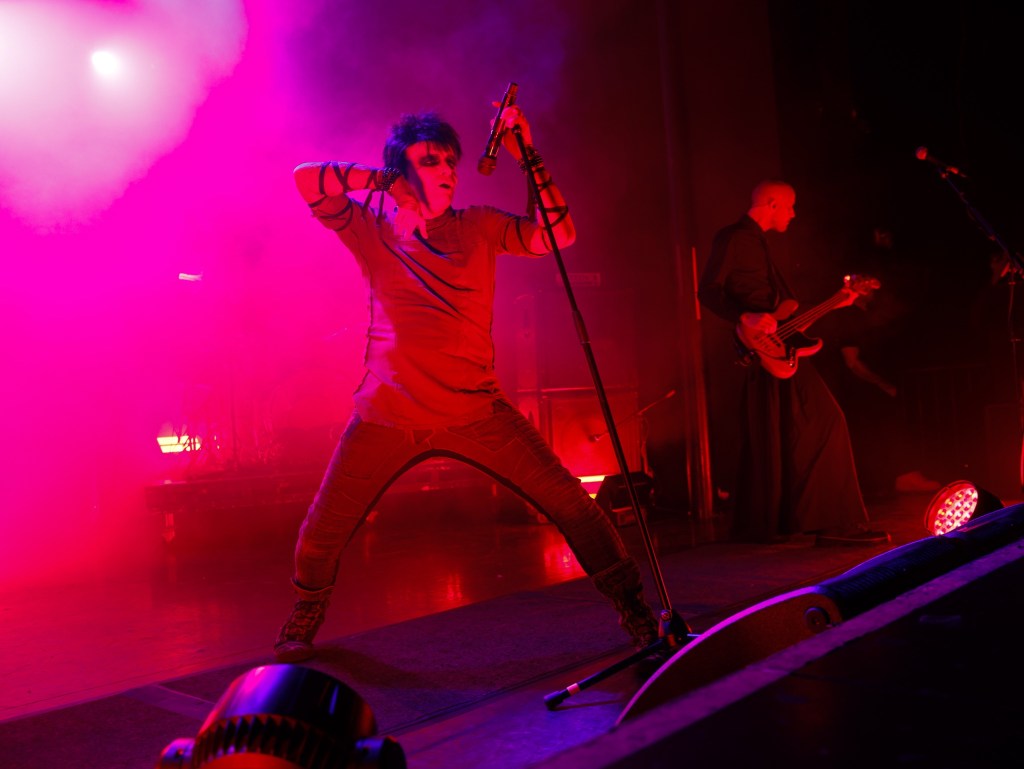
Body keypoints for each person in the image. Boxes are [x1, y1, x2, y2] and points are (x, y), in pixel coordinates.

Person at [274, 106, 659, 663]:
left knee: (575, 505)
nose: (449, 169)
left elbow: (559, 235)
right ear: (402, 169)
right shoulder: (371, 227)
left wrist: (528, 155)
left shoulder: (477, 225)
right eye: (431, 160)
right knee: (320, 533)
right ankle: (305, 614)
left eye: (451, 161)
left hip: (477, 412)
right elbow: (305, 180)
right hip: (387, 415)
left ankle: (635, 609)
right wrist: (383, 181)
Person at [697, 180, 890, 546]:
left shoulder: (759, 243)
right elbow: (708, 290)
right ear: (772, 203)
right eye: (789, 206)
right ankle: (834, 525)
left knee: (779, 434)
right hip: (759, 347)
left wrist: (840, 300)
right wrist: (743, 316)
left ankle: (773, 524)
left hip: (776, 347)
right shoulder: (734, 237)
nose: (794, 213)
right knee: (827, 421)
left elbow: (784, 313)